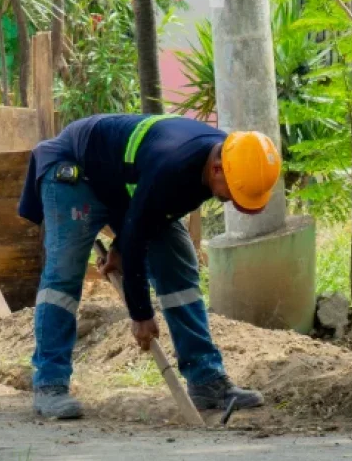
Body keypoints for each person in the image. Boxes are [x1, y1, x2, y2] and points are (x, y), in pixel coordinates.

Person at [17, 113, 281, 419]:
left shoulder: (222, 160)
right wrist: (140, 314)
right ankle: (50, 384)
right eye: (234, 192)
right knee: (64, 273)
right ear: (217, 168)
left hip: (123, 184)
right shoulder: (173, 165)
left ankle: (207, 380)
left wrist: (118, 249)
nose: (233, 202)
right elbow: (138, 233)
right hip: (78, 170)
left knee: (178, 264)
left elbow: (144, 220)